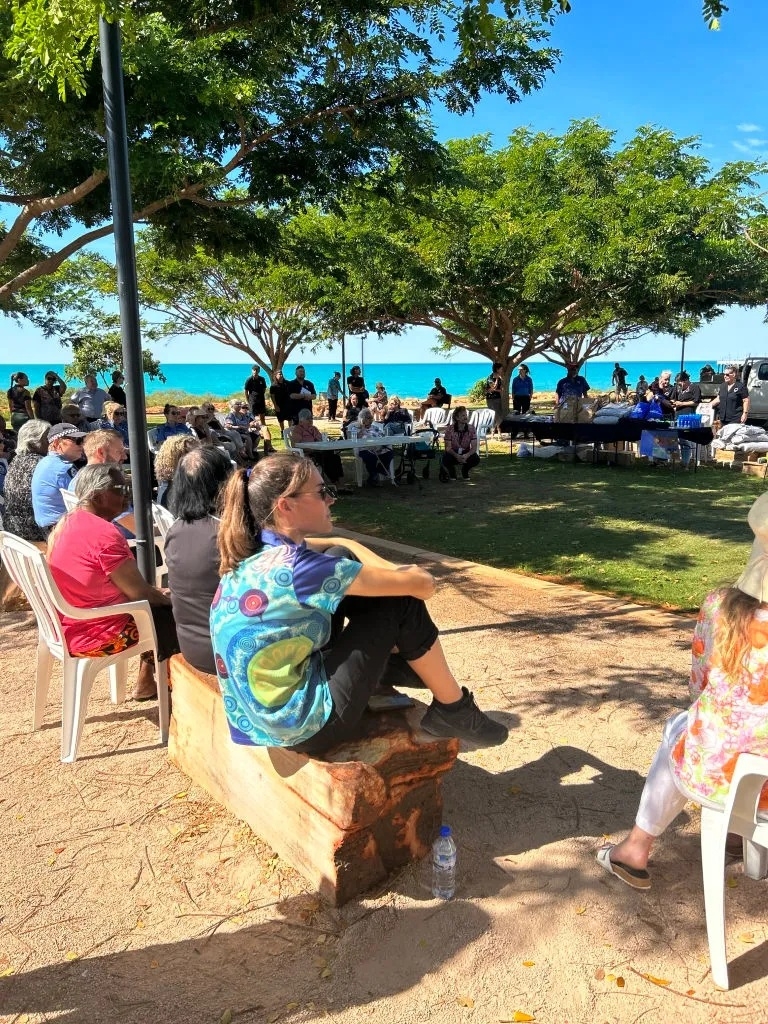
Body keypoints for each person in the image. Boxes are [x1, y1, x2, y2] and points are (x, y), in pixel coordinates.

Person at [210, 451, 508, 752]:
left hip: (259, 717)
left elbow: (333, 550)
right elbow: (424, 586)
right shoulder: (303, 570)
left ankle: (413, 671)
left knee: (341, 557)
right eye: (321, 492)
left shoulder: (258, 550)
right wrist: (399, 572)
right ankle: (453, 709)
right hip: (302, 728)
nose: (331, 499)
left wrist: (347, 542)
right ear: (286, 505)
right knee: (400, 601)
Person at [597, 492, 768, 891]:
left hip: (721, 775)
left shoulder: (721, 608)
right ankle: (738, 836)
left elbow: (700, 686)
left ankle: (637, 847)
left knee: (687, 726)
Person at [48, 464, 179, 701]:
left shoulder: (68, 521)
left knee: (157, 608)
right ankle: (175, 690)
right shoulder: (103, 534)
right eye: (121, 489)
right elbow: (140, 593)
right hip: (99, 633)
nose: (127, 494)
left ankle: (147, 681)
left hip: (70, 623)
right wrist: (173, 599)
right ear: (98, 496)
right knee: (171, 614)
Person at [165, 447, 233, 675]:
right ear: (226, 483)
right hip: (230, 653)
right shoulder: (229, 534)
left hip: (193, 648)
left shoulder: (176, 530)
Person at [31, 422, 87, 533]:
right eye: (77, 440)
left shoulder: (45, 461)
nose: (82, 445)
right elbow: (83, 499)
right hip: (61, 529)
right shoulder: (63, 468)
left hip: (48, 527)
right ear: (57, 443)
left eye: (82, 440)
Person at [2, 420, 50, 541]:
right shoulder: (42, 463)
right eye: (47, 438)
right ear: (34, 442)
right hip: (34, 530)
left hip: (12, 527)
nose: (51, 442)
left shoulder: (17, 459)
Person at [290, 409, 344, 483]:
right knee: (326, 458)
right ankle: (334, 481)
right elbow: (295, 445)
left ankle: (339, 479)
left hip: (318, 450)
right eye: (308, 419)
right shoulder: (298, 430)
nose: (310, 420)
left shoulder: (313, 428)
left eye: (311, 418)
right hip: (307, 453)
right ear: (301, 421)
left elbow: (320, 439)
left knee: (335, 457)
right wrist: (308, 448)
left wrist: (318, 438)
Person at [154, 433, 201, 508]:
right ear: (175, 458)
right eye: (190, 454)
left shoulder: (186, 482)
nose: (198, 457)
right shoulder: (173, 491)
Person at [670, 370, 702, 470]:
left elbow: (696, 402)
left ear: (685, 380)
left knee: (686, 440)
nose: (679, 384)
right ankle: (679, 461)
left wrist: (682, 403)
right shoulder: (677, 388)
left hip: (689, 416)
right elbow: (672, 398)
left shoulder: (694, 387)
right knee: (678, 439)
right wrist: (673, 403)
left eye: (680, 382)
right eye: (677, 383)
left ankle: (686, 462)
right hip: (678, 415)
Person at [439, 406, 479, 482]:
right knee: (446, 458)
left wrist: (466, 455)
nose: (465, 417)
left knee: (475, 459)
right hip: (453, 452)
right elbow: (448, 447)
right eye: (463, 415)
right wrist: (457, 456)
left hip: (465, 452)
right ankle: (452, 472)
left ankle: (465, 470)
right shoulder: (450, 429)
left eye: (466, 415)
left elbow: (474, 447)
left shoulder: (471, 428)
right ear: (457, 418)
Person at [355, 407, 392, 486]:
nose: (371, 420)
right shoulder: (357, 428)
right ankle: (374, 475)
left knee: (389, 453)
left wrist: (381, 444)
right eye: (368, 418)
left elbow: (383, 436)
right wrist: (362, 428)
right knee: (371, 457)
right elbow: (356, 439)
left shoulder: (375, 427)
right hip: (365, 449)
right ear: (362, 419)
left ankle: (378, 472)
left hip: (378, 448)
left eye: (371, 418)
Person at [484, 362, 504, 433]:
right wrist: (497, 379)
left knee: (499, 414)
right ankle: (493, 430)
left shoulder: (500, 378)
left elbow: (501, 389)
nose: (502, 370)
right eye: (501, 369)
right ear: (497, 369)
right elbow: (493, 387)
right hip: (490, 399)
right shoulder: (490, 377)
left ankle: (497, 429)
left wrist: (494, 390)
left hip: (498, 398)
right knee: (493, 414)